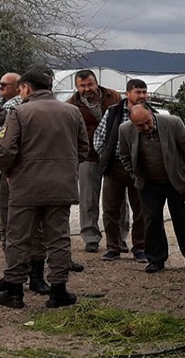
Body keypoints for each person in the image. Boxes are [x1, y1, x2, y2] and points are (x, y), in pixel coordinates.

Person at [0, 68, 89, 309]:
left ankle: (14, 291)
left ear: (26, 88)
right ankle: (58, 290)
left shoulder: (19, 112)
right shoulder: (72, 111)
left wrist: (10, 174)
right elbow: (83, 148)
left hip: (25, 187)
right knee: (58, 238)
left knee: (18, 238)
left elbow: (5, 150)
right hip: (61, 186)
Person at [119, 104, 185, 273]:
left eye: (148, 122)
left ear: (151, 114)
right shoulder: (124, 130)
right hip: (148, 184)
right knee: (151, 221)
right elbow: (124, 155)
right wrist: (135, 175)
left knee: (184, 219)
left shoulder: (173, 123)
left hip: (177, 181)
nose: (146, 127)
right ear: (133, 123)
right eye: (140, 125)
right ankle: (155, 259)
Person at [66, 69, 127, 253]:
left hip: (113, 156)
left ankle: (120, 239)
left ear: (96, 82)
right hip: (88, 156)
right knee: (88, 200)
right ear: (77, 87)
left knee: (119, 201)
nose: (87, 89)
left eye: (89, 84)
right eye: (82, 86)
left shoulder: (113, 96)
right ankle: (91, 238)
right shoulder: (71, 105)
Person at [93, 79, 148, 263]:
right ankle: (113, 248)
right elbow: (99, 138)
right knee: (110, 210)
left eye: (144, 92)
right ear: (127, 94)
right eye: (138, 92)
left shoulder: (150, 113)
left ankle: (140, 248)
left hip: (138, 169)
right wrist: (106, 157)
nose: (141, 96)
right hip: (114, 167)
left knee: (141, 210)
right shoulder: (113, 112)